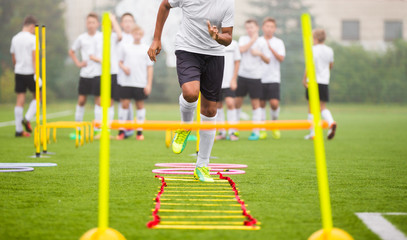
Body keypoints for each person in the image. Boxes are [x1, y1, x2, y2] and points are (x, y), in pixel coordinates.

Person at [148, 0, 234, 182]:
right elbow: (165, 5)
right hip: (187, 49)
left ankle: (202, 165)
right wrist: (157, 39)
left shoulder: (227, 3)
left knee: (210, 110)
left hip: (215, 55)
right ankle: (186, 125)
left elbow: (228, 37)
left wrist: (217, 37)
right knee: (190, 92)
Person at [235, 19, 270, 141]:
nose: (249, 29)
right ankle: (234, 130)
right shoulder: (243, 39)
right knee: (237, 102)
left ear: (257, 28)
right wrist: (252, 41)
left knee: (255, 104)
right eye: (247, 27)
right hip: (242, 75)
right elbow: (241, 50)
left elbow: (268, 60)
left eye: (252, 27)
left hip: (256, 77)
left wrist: (260, 54)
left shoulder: (263, 42)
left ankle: (255, 131)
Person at [117, 25, 153, 140]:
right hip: (126, 82)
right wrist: (124, 68)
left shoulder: (146, 48)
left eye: (139, 34)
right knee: (124, 105)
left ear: (142, 35)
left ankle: (139, 132)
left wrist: (148, 84)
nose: (137, 36)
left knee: (140, 106)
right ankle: (121, 131)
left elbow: (150, 67)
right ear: (132, 34)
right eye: (135, 33)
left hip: (140, 83)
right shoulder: (125, 47)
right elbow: (120, 62)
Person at [69, 13, 102, 131]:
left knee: (99, 101)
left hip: (98, 73)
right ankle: (78, 127)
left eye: (93, 22)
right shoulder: (82, 38)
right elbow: (72, 51)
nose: (91, 25)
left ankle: (97, 128)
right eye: (89, 22)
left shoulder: (102, 36)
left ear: (98, 24)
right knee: (82, 100)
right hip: (85, 74)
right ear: (86, 24)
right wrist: (78, 63)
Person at [303, 29, 337, 140]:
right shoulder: (330, 50)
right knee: (322, 107)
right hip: (324, 81)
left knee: (311, 108)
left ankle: (313, 133)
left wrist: (304, 79)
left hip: (312, 81)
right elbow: (331, 65)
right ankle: (331, 123)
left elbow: (309, 66)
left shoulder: (312, 49)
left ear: (316, 39)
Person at [90, 13, 122, 127]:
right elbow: (91, 55)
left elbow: (120, 36)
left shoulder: (114, 37)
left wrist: (113, 20)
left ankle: (107, 129)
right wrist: (101, 60)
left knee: (110, 102)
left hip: (112, 72)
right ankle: (98, 129)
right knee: (99, 102)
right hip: (99, 73)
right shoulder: (96, 37)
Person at [10, 16, 39, 137]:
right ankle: (27, 118)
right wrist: (36, 73)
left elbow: (13, 57)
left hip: (19, 71)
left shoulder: (15, 38)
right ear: (32, 26)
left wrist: (17, 67)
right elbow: (34, 57)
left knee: (20, 100)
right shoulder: (33, 38)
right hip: (30, 72)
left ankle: (18, 130)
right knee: (39, 96)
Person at [259, 17, 285, 140]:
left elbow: (281, 58)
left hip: (274, 77)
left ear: (274, 29)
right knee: (261, 104)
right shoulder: (258, 41)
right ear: (263, 27)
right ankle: (263, 129)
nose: (269, 29)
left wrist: (271, 49)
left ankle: (274, 124)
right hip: (259, 77)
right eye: (267, 26)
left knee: (274, 103)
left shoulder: (278, 42)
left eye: (271, 27)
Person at [215, 39, 241, 141]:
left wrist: (234, 79)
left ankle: (232, 131)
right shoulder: (213, 42)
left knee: (230, 103)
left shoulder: (234, 44)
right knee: (218, 105)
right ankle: (221, 132)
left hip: (229, 81)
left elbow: (237, 62)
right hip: (216, 81)